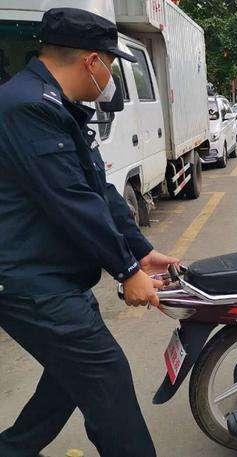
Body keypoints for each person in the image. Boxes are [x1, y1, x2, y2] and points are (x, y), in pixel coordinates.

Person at [0, 8, 179, 456]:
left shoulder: (56, 106)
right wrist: (124, 270)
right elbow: (71, 203)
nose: (111, 74)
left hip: (52, 277)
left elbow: (97, 188)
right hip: (30, 283)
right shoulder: (26, 107)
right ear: (91, 62)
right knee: (107, 379)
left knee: (67, 379)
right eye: (113, 63)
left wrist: (140, 252)